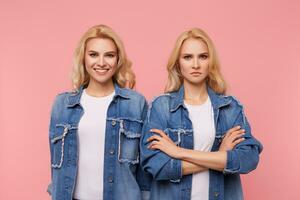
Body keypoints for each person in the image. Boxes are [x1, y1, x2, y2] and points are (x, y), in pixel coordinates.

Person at [140, 28, 263, 200]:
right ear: (178, 63)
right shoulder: (161, 107)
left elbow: (248, 159)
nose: (195, 65)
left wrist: (177, 152)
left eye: (203, 57)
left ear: (210, 62)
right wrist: (219, 156)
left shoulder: (229, 108)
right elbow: (156, 166)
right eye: (187, 57)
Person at [47, 24, 151, 200]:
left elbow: (144, 169)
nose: (101, 62)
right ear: (83, 58)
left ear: (118, 59)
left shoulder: (135, 103)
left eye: (109, 55)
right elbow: (56, 166)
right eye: (93, 54)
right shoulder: (62, 105)